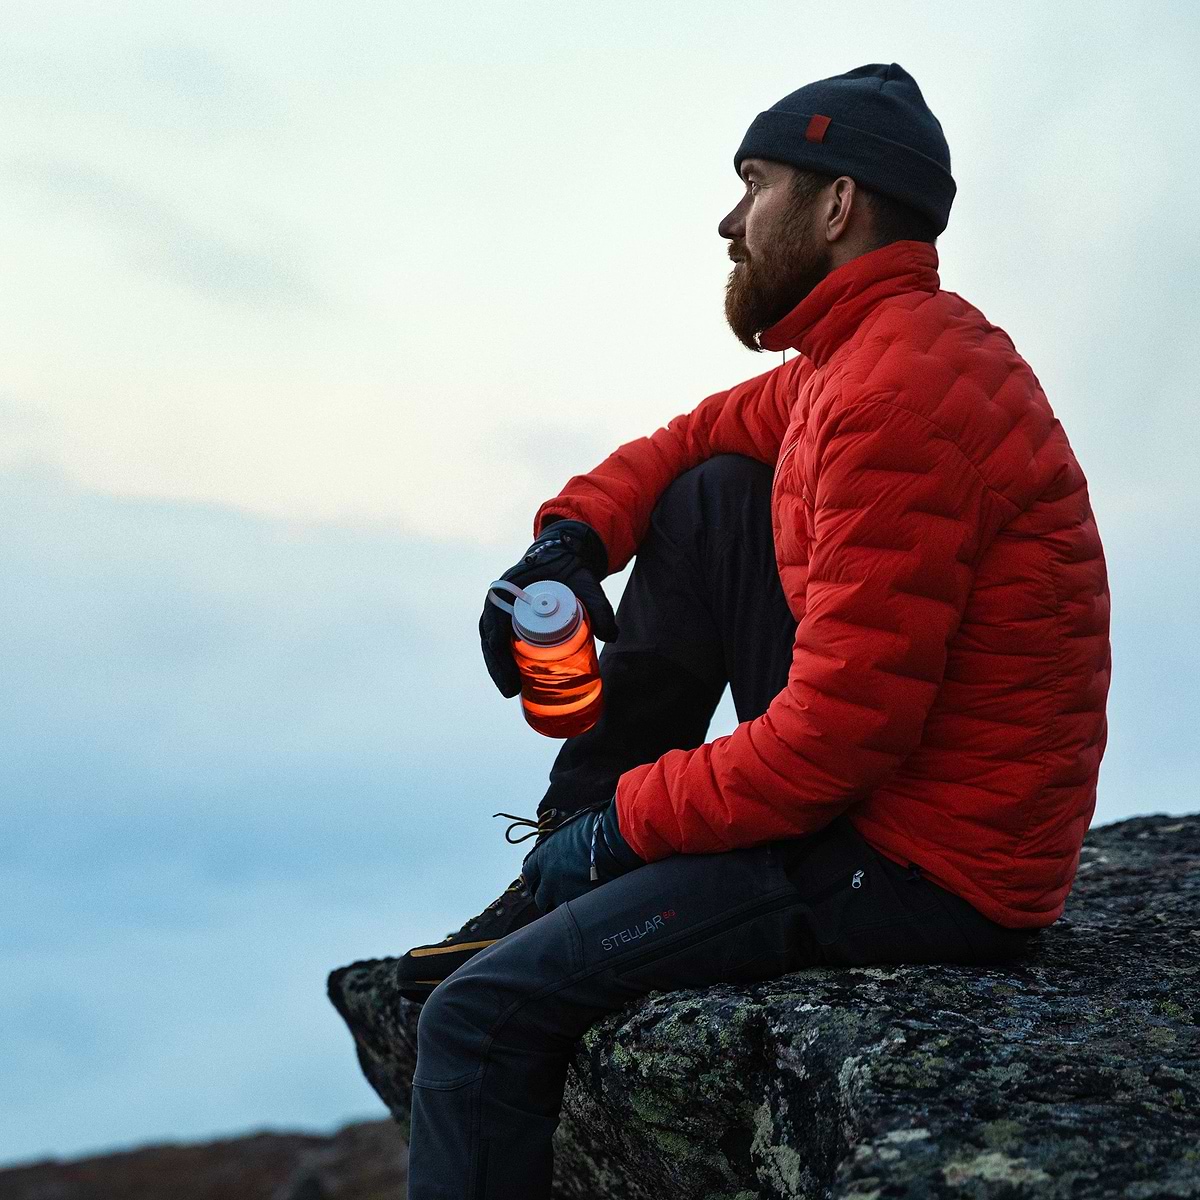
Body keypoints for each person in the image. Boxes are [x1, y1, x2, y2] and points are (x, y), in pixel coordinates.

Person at [397, 62, 1111, 1198]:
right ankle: (560, 866)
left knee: (480, 1023)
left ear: (837, 206)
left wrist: (628, 826)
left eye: (755, 183)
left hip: (923, 868)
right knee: (716, 487)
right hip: (894, 797)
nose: (729, 221)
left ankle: (571, 863)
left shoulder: (890, 398)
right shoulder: (871, 354)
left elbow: (836, 744)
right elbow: (703, 434)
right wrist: (572, 540)